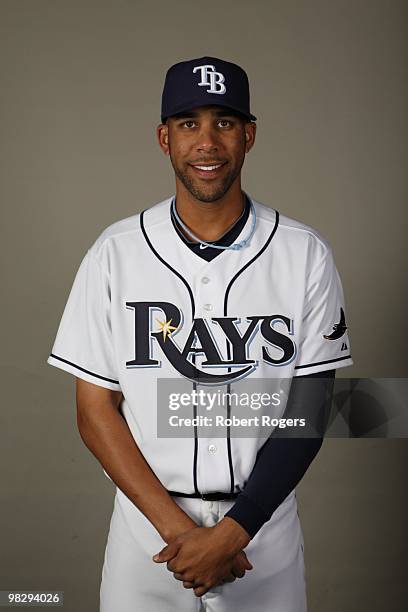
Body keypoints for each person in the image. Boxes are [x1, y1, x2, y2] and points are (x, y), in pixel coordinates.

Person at [47, 56, 353, 611]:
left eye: (225, 122)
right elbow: (94, 410)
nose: (207, 141)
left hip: (263, 533)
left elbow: (310, 410)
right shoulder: (115, 254)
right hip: (147, 536)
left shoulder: (303, 253)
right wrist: (180, 535)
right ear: (164, 139)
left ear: (249, 135)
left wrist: (231, 535)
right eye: (189, 123)